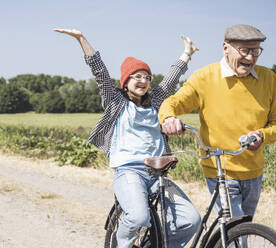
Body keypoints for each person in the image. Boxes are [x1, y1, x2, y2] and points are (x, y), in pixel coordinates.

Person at [54, 28, 200, 248]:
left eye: (147, 77)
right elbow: (99, 71)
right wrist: (81, 38)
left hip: (157, 173)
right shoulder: (115, 101)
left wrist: (187, 53)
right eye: (137, 76)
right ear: (126, 81)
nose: (143, 80)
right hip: (129, 170)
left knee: (192, 220)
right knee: (140, 217)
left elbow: (171, 79)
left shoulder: (157, 101)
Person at [158, 24, 276, 220]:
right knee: (236, 236)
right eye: (245, 50)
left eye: (256, 51)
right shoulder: (205, 77)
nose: (251, 57)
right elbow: (172, 102)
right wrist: (169, 117)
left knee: (241, 231)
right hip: (220, 171)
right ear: (225, 48)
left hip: (254, 173)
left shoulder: (269, 79)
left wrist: (263, 136)